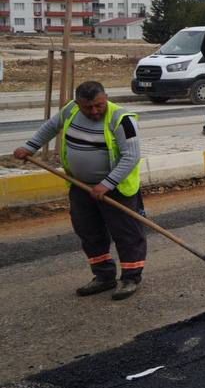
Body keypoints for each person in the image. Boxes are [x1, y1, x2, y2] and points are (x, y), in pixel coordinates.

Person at [12, 81, 147, 300]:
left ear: (106, 98)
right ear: (78, 103)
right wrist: (30, 146)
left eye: (99, 105)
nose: (94, 111)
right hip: (81, 186)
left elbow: (131, 156)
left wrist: (107, 183)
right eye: (88, 107)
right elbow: (50, 127)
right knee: (89, 232)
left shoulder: (123, 120)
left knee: (127, 234)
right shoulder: (70, 110)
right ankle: (104, 276)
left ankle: (131, 278)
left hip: (116, 188)